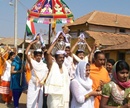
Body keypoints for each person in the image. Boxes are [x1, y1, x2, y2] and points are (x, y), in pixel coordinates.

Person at [45, 34, 70, 108]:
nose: (62, 59)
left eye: (63, 58)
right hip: (54, 97)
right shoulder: (52, 66)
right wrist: (55, 42)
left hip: (64, 95)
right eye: (60, 57)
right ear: (55, 58)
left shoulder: (65, 68)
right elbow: (48, 53)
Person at [25, 39, 48, 108]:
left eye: (39, 55)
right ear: (34, 56)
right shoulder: (32, 62)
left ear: (41, 56)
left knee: (39, 101)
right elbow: (26, 53)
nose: (38, 57)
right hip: (33, 84)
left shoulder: (44, 65)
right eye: (37, 55)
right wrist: (31, 44)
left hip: (40, 85)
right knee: (31, 100)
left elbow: (46, 74)